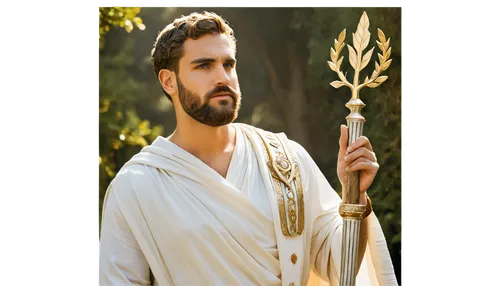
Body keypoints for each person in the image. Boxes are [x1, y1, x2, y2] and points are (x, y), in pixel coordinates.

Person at [97, 11, 397, 286]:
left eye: (228, 64)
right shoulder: (135, 188)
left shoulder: (285, 159)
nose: (222, 77)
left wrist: (353, 196)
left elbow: (337, 263)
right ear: (169, 81)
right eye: (204, 66)